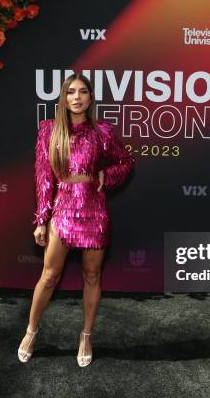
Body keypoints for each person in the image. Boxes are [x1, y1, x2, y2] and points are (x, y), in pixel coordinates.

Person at [17, 73, 134, 367]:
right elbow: (44, 178)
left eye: (83, 92)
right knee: (48, 276)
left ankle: (86, 335)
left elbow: (126, 162)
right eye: (71, 92)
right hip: (63, 210)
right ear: (64, 98)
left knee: (92, 276)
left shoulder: (102, 132)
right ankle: (31, 331)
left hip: (95, 211)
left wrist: (105, 177)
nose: (77, 97)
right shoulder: (48, 131)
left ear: (90, 98)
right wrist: (41, 219)